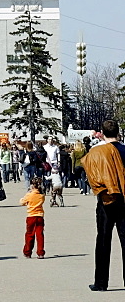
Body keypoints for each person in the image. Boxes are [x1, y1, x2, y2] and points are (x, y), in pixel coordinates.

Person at [82, 118, 125, 293]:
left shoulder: (97, 151)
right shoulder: (124, 149)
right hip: (124, 199)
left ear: (103, 132)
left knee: (103, 240)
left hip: (106, 199)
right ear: (117, 132)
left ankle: (101, 282)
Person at [20, 175, 45, 259]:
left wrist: (27, 194)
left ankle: (27, 251)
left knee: (30, 234)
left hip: (31, 216)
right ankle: (40, 252)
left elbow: (22, 202)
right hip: (40, 216)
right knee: (40, 235)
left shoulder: (29, 195)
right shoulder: (41, 195)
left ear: (32, 185)